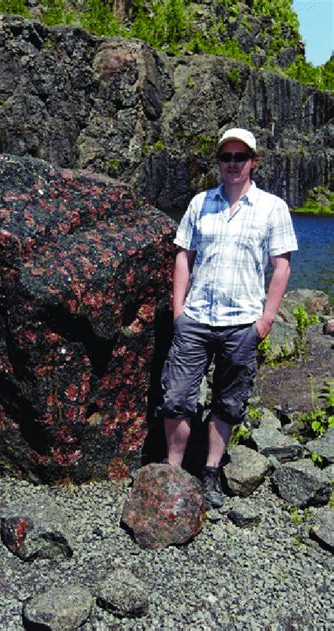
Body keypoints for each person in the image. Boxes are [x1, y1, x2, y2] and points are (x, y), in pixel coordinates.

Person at [159, 128, 298, 508]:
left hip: (243, 323)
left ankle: (209, 471)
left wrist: (266, 320)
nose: (233, 164)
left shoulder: (273, 208)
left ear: (253, 161)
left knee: (228, 402)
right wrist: (178, 311)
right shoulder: (200, 203)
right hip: (197, 318)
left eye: (240, 157)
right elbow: (183, 256)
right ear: (219, 162)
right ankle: (171, 473)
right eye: (226, 158)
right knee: (176, 396)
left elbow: (281, 266)